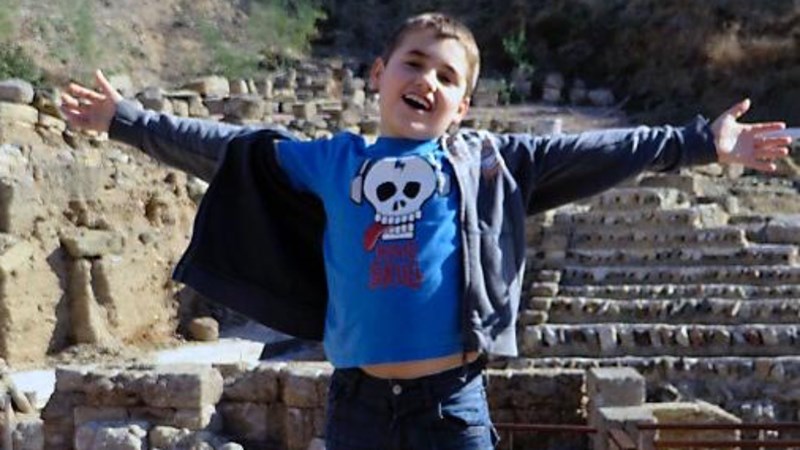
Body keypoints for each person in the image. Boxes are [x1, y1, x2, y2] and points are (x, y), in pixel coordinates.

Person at [61, 12, 791, 450]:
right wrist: (127, 120)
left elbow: (602, 151)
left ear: (463, 105)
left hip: (452, 405)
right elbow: (227, 150)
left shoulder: (492, 164)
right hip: (357, 406)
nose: (428, 82)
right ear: (379, 74)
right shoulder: (334, 160)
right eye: (414, 64)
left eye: (447, 77)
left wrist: (702, 142)